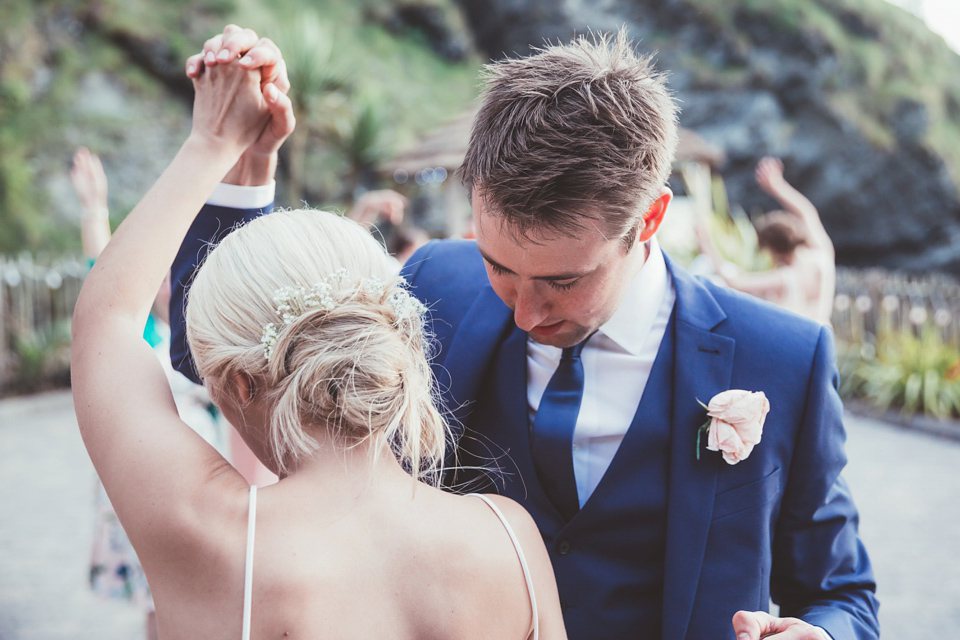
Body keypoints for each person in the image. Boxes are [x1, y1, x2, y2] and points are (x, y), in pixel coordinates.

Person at [170, 27, 878, 640]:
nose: (525, 312)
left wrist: (818, 631)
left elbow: (843, 594)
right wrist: (245, 170)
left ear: (651, 220)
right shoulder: (439, 283)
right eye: (500, 266)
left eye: (564, 282)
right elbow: (231, 359)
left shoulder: (784, 359)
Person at [73, 39, 565, 639]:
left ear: (241, 384)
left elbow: (105, 321)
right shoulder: (509, 538)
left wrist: (213, 143)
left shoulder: (215, 539)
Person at [697, 157, 836, 325]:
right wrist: (777, 186)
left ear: (773, 250)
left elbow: (735, 283)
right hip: (823, 338)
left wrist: (706, 245)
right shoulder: (822, 255)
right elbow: (807, 212)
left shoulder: (784, 278)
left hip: (796, 345)